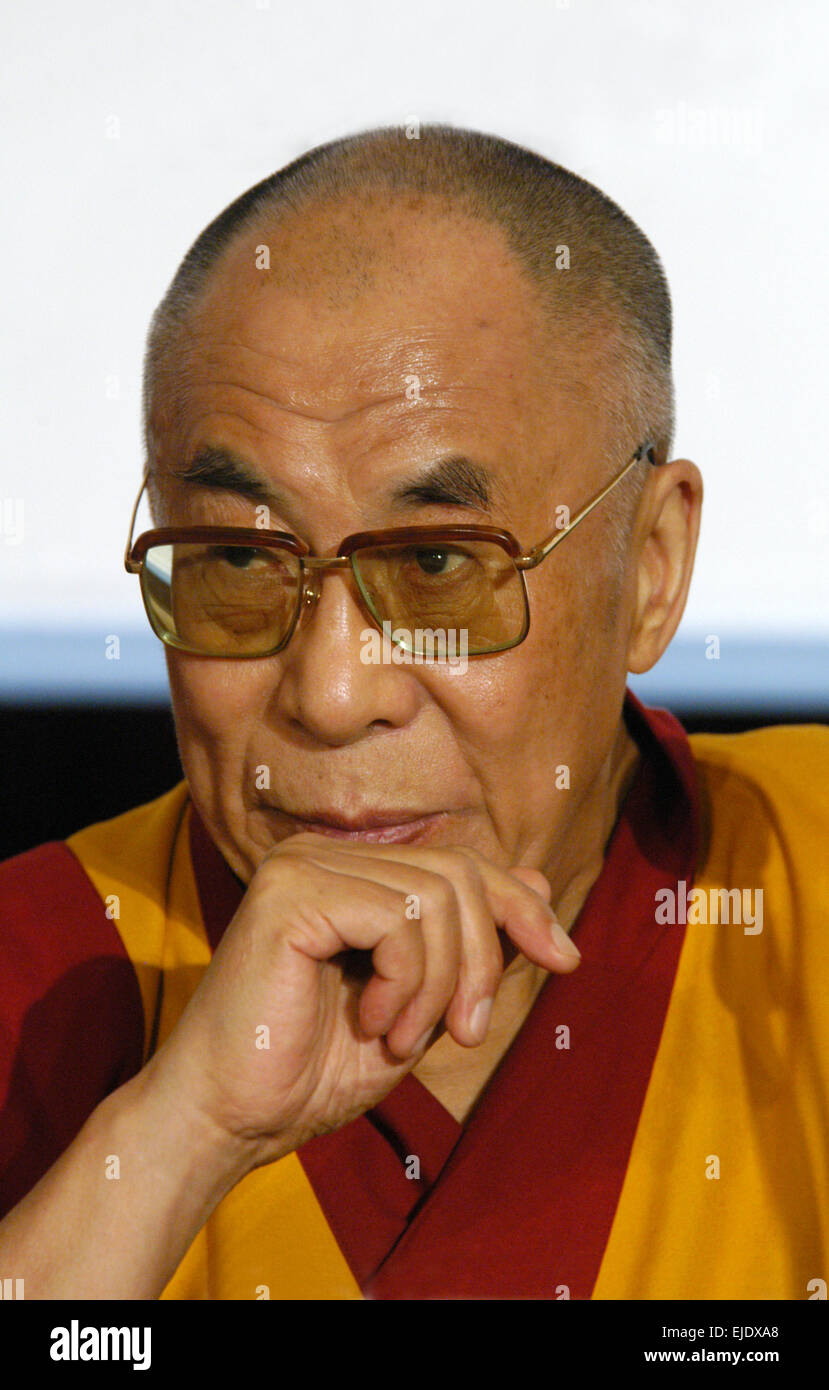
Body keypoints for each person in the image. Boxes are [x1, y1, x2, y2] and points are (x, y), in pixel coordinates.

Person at [0, 124, 826, 1301]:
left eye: (438, 563)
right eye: (237, 559)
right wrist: (177, 1135)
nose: (332, 695)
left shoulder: (805, 889)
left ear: (649, 568)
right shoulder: (41, 977)